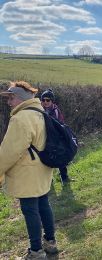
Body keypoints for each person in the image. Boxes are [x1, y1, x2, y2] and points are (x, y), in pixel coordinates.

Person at [0, 81, 58, 259]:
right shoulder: (40, 112)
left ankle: (36, 251)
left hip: (27, 173)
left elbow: (9, 152)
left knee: (30, 210)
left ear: (20, 99)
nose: (8, 102)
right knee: (44, 205)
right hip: (42, 169)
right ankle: (50, 243)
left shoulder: (20, 118)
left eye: (11, 98)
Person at [40, 89, 71, 184]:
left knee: (60, 157)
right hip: (43, 138)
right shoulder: (39, 110)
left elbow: (61, 124)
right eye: (43, 100)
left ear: (52, 101)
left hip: (56, 138)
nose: (45, 102)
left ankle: (64, 177)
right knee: (47, 159)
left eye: (48, 100)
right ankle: (49, 180)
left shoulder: (56, 111)